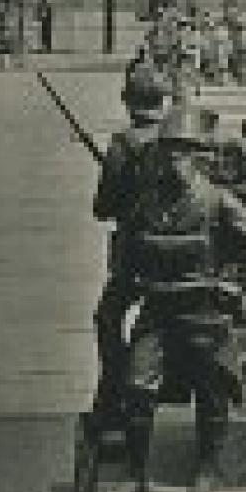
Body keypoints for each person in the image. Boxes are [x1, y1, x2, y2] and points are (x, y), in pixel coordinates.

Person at [112, 103, 246, 492]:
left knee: (209, 391)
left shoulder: (217, 202)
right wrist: (125, 284)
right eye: (168, 150)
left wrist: (235, 283)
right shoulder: (147, 202)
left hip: (203, 311)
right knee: (136, 387)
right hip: (157, 311)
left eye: (184, 150)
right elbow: (126, 247)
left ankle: (206, 468)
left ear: (200, 156)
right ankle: (135, 474)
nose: (175, 158)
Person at [88, 62, 172, 446]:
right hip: (175, 253)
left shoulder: (123, 145)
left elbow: (103, 208)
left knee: (108, 318)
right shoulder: (177, 139)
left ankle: (113, 395)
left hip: (135, 252)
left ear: (128, 101)